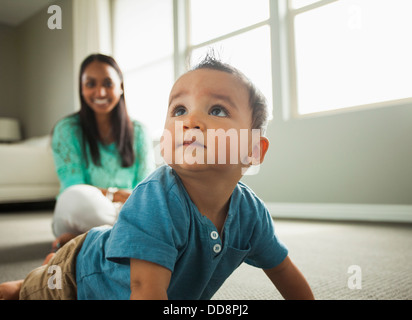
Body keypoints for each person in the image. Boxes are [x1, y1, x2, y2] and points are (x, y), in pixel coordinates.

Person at [0, 56, 314, 300]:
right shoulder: (158, 198)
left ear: (253, 150)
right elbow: (146, 290)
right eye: (179, 110)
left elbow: (283, 269)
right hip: (79, 275)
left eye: (217, 110)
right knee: (28, 292)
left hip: (114, 229)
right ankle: (34, 276)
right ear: (165, 142)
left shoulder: (251, 214)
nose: (191, 120)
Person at [50, 54, 155, 250]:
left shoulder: (139, 132)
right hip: (81, 211)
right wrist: (116, 194)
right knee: (76, 198)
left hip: (128, 211)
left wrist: (125, 201)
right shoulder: (67, 129)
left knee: (156, 207)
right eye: (90, 84)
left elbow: (146, 190)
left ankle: (83, 243)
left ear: (121, 86)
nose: (100, 91)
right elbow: (74, 186)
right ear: (82, 89)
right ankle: (122, 239)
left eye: (108, 83)